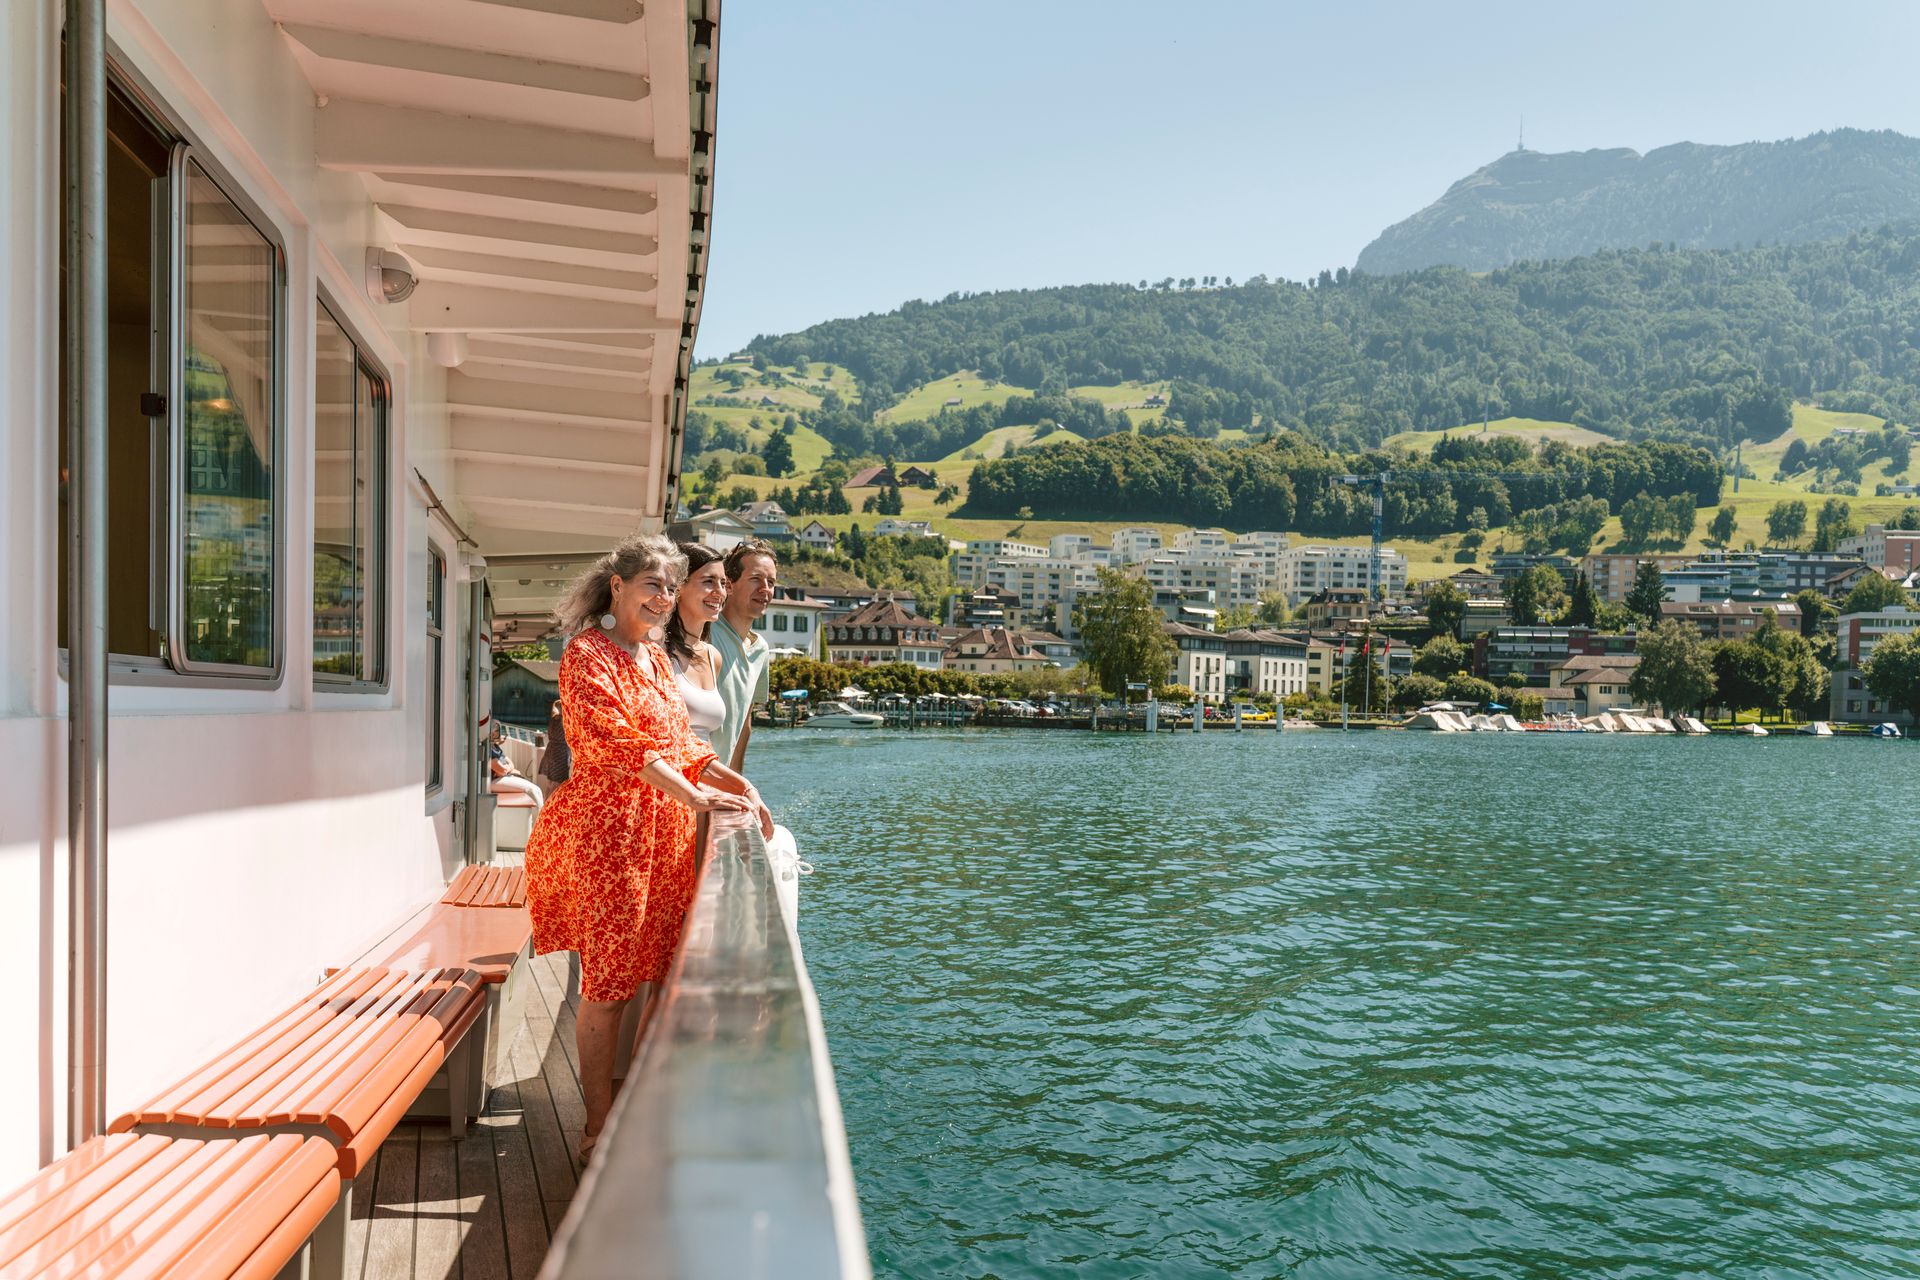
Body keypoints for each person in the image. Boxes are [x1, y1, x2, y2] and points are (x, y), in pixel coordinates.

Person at [521, 532, 773, 1162]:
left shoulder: (657, 660)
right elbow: (618, 746)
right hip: (608, 841)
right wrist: (695, 799)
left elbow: (686, 746)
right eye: (652, 586)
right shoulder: (587, 655)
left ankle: (631, 1107)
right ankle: (596, 1128)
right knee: (607, 990)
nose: (664, 599)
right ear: (618, 586)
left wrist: (743, 788)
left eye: (669, 587)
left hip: (662, 844)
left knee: (656, 975)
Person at [711, 539, 776, 772]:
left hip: (719, 780)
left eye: (771, 582)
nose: (765, 589)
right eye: (755, 579)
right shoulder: (705, 632)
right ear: (729, 585)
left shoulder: (761, 650)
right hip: (689, 779)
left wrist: (736, 784)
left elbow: (744, 723)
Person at [665, 543, 731, 746]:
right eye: (708, 581)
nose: (719, 592)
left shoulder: (713, 657)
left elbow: (706, 741)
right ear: (679, 587)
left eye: (723, 583)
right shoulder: (657, 652)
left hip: (700, 774)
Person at [489, 723, 543, 808]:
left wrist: (508, 769)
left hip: (503, 776)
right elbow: (502, 771)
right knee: (532, 790)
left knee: (537, 790)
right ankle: (539, 819)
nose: (497, 733)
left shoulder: (495, 747)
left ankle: (541, 818)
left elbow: (510, 763)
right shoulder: (489, 750)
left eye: (497, 731)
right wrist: (508, 769)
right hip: (493, 781)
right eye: (495, 731)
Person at [534, 699, 570, 794]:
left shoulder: (553, 720)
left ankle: (546, 804)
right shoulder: (564, 721)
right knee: (558, 784)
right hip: (560, 753)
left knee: (550, 782)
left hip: (551, 751)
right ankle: (552, 805)